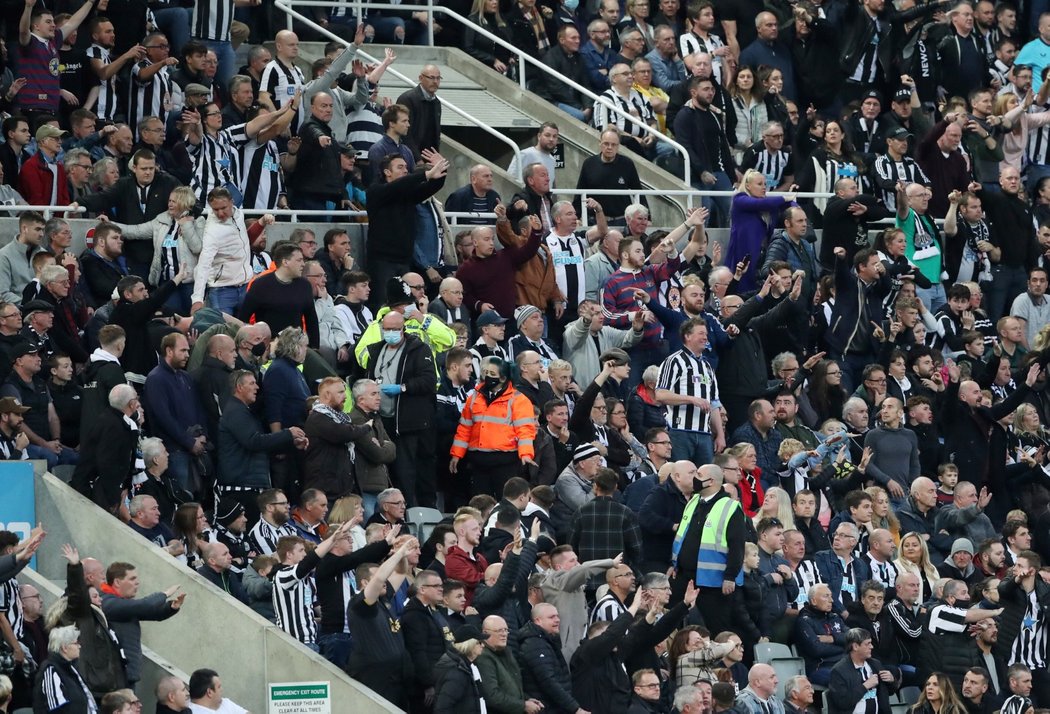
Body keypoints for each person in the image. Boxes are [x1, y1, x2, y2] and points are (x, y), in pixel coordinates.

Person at [100, 561, 184, 688]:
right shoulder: (107, 602)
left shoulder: (121, 603)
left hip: (125, 676)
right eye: (132, 579)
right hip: (115, 678)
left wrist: (171, 607)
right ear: (117, 582)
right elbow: (145, 605)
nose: (137, 582)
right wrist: (164, 594)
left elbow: (151, 613)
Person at [191, 187, 275, 315]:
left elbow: (246, 240)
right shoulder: (212, 232)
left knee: (250, 331)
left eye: (223, 208)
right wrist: (197, 299)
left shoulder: (239, 214)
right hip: (221, 291)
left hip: (246, 285)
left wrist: (261, 222)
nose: (220, 213)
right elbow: (203, 264)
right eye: (215, 209)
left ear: (232, 202)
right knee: (224, 332)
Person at [826, 628, 899, 714]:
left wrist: (891, 680)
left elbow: (890, 692)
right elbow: (842, 702)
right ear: (855, 646)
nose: (872, 646)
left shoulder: (875, 664)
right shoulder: (839, 671)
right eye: (867, 644)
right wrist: (865, 686)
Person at [32, 625, 95, 714]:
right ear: (64, 648)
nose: (79, 646)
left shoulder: (71, 668)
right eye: (76, 643)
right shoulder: (50, 669)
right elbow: (55, 708)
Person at [433, 624, 490, 713]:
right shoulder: (457, 673)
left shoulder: (467, 667)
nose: (483, 645)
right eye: (479, 642)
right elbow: (442, 708)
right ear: (469, 644)